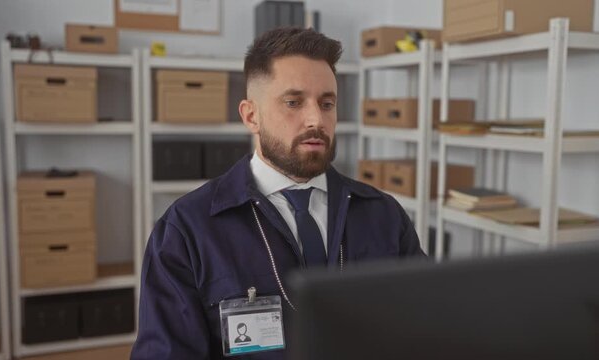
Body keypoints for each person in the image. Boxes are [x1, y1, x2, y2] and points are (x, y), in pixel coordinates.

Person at [131, 27, 424, 360]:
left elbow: (425, 327)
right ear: (251, 116)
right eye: (293, 102)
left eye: (327, 103)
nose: (316, 118)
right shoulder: (187, 229)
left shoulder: (384, 216)